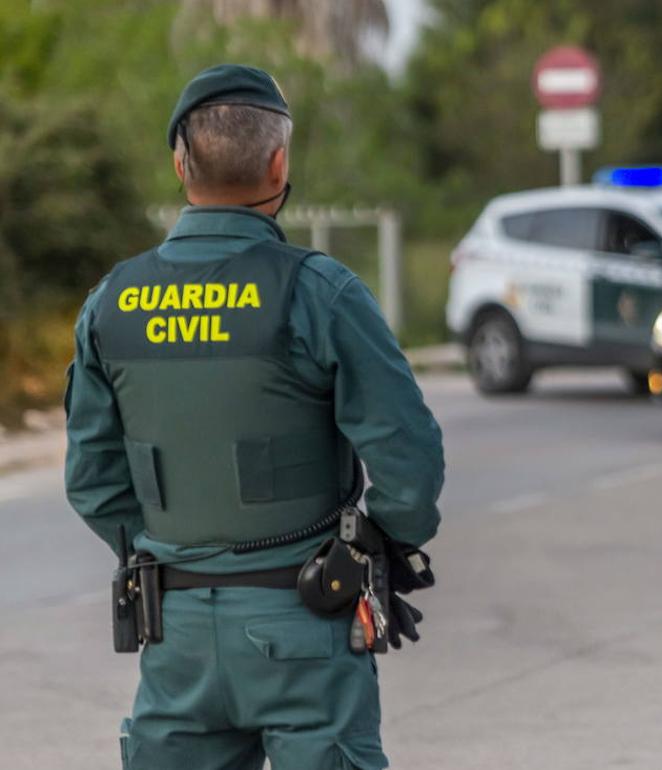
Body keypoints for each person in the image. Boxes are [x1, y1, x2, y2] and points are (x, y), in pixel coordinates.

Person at [64, 64, 444, 770]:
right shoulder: (319, 293)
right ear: (279, 162)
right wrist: (378, 547)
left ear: (180, 164)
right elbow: (409, 459)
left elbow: (92, 478)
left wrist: (170, 551)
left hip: (175, 639)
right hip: (306, 622)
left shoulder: (112, 303)